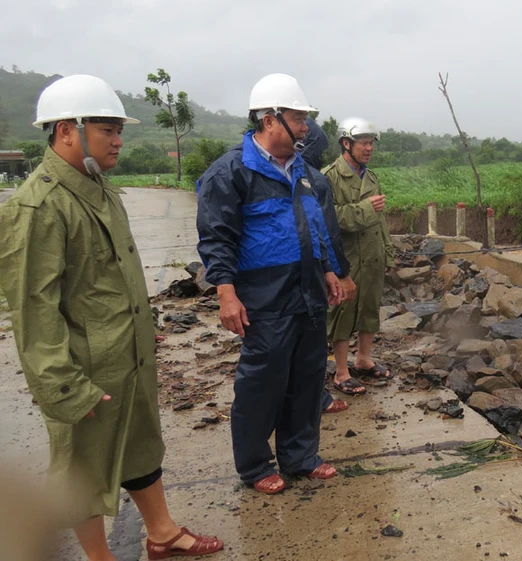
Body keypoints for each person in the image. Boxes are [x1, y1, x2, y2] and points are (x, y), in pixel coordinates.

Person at [0, 75, 223, 560]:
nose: (119, 140)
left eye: (119, 130)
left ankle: (161, 532)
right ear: (66, 130)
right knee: (84, 469)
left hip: (127, 355)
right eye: (107, 130)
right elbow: (33, 309)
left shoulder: (98, 187)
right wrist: (65, 387)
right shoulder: (39, 206)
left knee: (143, 445)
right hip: (85, 367)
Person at [196, 73, 342, 495]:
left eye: (305, 119)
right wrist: (225, 292)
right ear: (268, 119)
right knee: (263, 382)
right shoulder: (231, 172)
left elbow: (316, 227)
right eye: (298, 119)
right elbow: (217, 236)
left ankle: (301, 457)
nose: (306, 128)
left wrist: (328, 269)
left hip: (309, 290)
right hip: (265, 295)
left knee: (308, 377)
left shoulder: (305, 173)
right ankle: (256, 466)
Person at [323, 118, 396, 395]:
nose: (369, 148)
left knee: (369, 307)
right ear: (346, 143)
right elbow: (329, 219)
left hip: (373, 254)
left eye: (371, 143)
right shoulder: (329, 176)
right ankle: (341, 372)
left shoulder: (372, 176)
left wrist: (387, 253)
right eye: (363, 143)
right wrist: (365, 207)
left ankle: (363, 359)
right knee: (343, 311)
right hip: (347, 257)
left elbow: (381, 220)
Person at [300, 117, 357, 414]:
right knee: (310, 340)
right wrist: (340, 273)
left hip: (270, 279)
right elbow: (328, 232)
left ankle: (277, 404)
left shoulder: (248, 170)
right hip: (306, 273)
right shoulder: (316, 180)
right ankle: (316, 399)